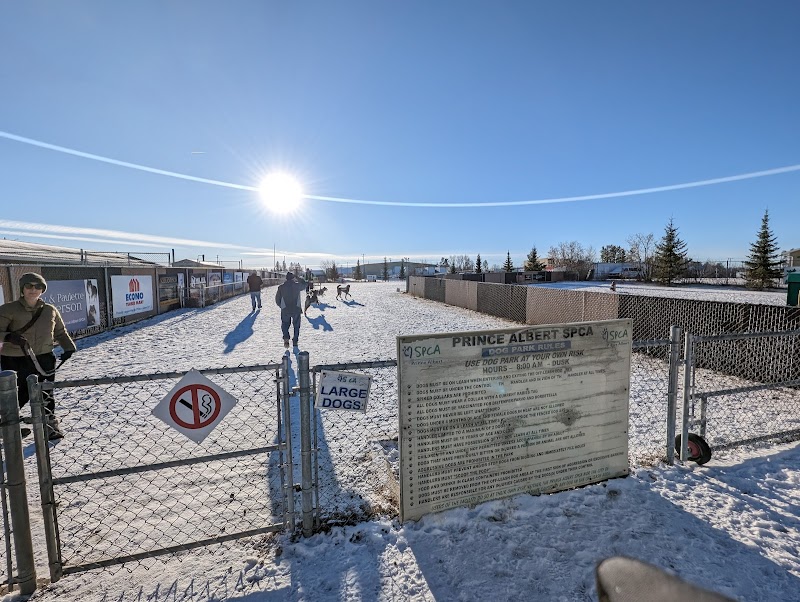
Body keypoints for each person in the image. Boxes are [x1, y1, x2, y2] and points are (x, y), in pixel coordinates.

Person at [0, 273, 76, 440]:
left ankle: (50, 426)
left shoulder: (50, 310)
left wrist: (69, 347)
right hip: (15, 358)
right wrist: (8, 337)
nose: (33, 290)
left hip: (44, 358)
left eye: (38, 286)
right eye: (29, 286)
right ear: (22, 289)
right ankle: (8, 426)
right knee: (18, 394)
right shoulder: (8, 309)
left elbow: (61, 332)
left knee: (46, 392)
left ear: (42, 289)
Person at [275, 271, 307, 348]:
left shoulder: (281, 287)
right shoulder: (297, 286)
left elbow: (277, 299)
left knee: (285, 324)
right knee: (296, 326)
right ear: (293, 278)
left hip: (285, 309)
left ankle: (286, 338)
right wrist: (298, 277)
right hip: (296, 309)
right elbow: (305, 284)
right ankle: (295, 341)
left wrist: (282, 306)